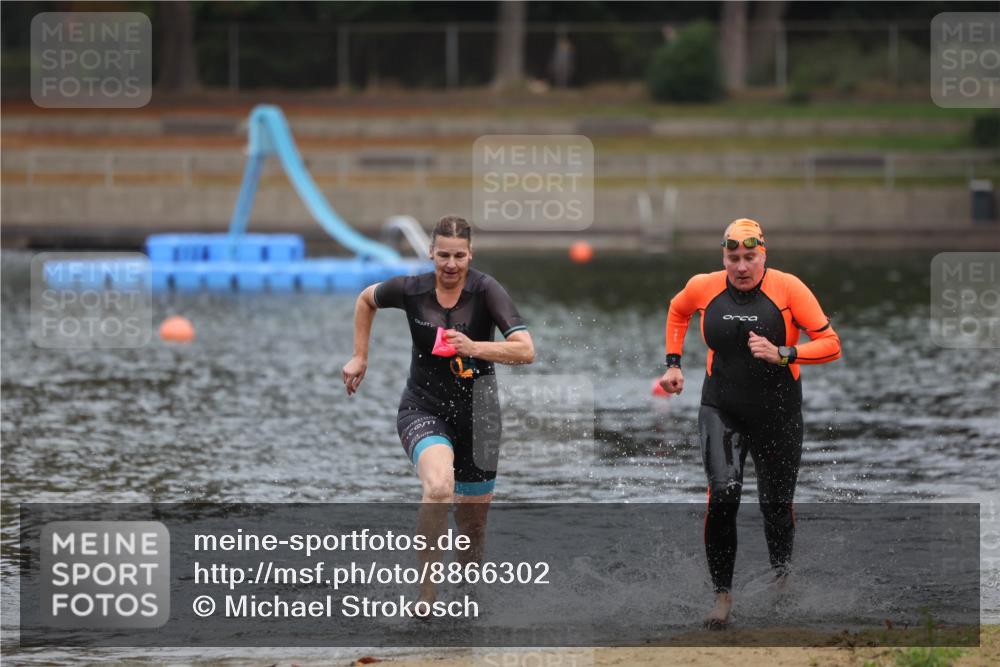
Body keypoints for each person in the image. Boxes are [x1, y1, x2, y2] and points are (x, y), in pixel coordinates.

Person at [657, 218, 841, 629]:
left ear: (763, 254)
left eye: (750, 257)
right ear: (723, 257)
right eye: (733, 257)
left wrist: (784, 353)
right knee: (723, 494)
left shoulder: (789, 289)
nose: (741, 267)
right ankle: (722, 598)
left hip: (778, 412)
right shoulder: (704, 286)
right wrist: (673, 363)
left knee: (775, 506)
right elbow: (677, 310)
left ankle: (782, 582)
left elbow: (831, 345)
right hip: (721, 407)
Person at [342, 215, 534, 606]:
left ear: (470, 255)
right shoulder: (410, 289)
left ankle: (467, 597)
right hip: (423, 407)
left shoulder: (486, 290)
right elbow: (366, 300)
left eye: (459, 256)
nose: (450, 264)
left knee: (472, 527)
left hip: (480, 417)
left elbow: (526, 350)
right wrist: (360, 356)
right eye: (443, 255)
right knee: (439, 487)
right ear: (431, 253)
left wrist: (475, 347)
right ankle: (426, 597)